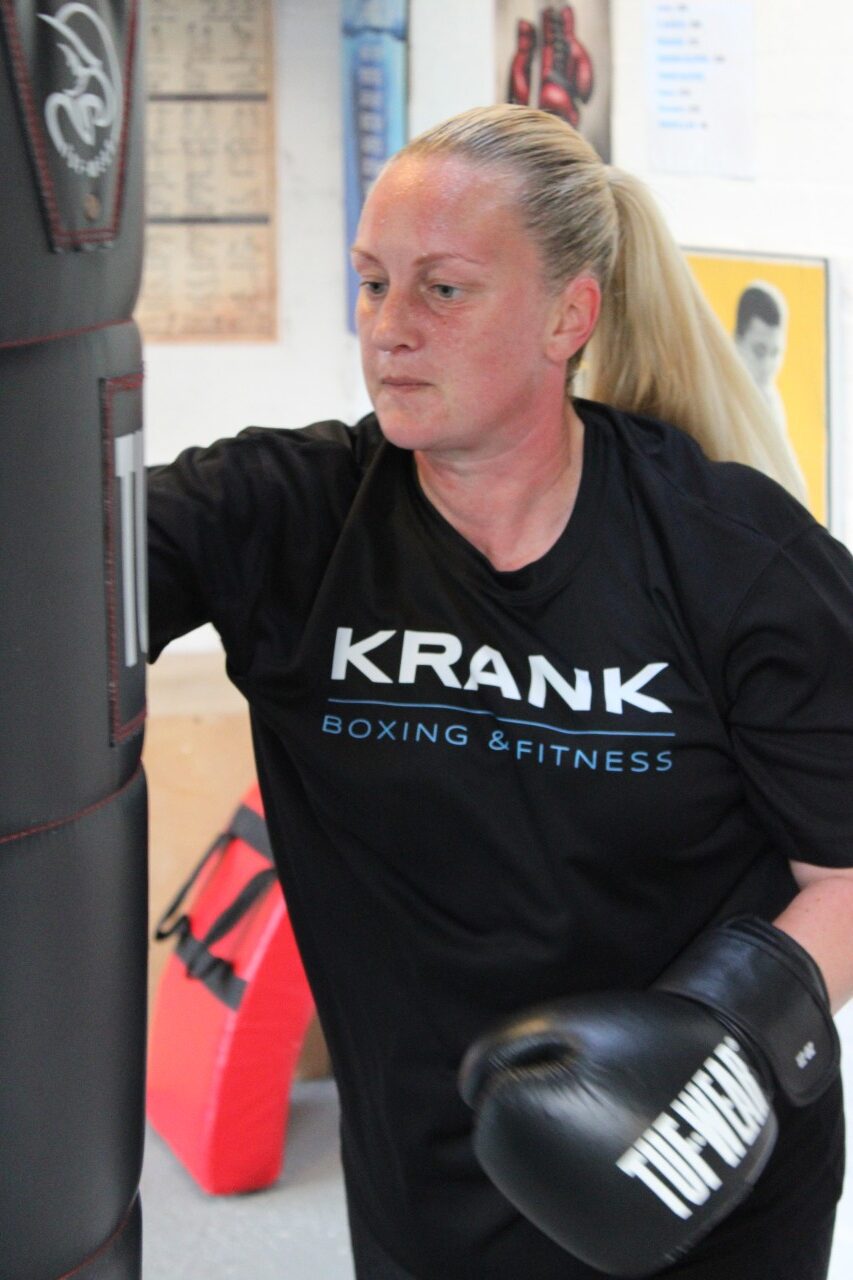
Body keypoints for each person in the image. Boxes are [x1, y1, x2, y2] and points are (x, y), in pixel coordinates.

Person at [147, 105, 853, 1279]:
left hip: (700, 1177)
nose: (388, 331)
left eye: (443, 290)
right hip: (430, 1185)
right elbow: (55, 563)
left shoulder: (730, 556)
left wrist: (717, 1031)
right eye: (372, 284)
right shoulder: (285, 521)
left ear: (566, 315)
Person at [733, 281, 789, 435]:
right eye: (759, 351)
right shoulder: (716, 397)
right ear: (737, 342)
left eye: (775, 353)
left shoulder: (772, 403)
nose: (768, 366)